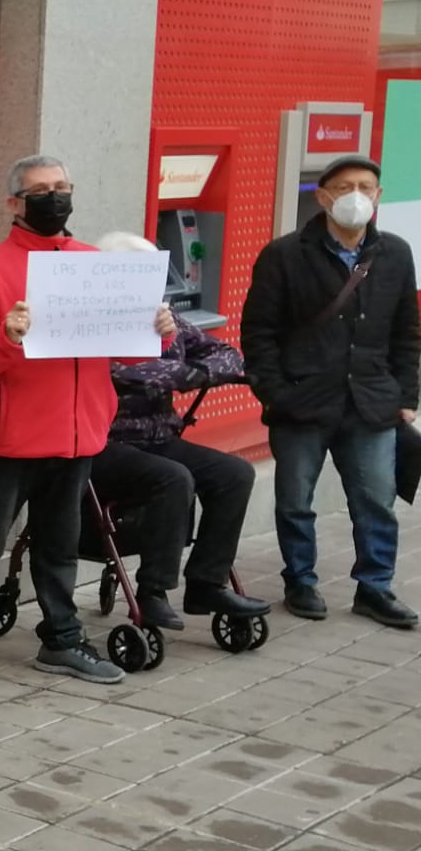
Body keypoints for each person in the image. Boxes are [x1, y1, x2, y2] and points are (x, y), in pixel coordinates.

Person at [0, 154, 173, 694]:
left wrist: (157, 331)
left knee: (59, 547)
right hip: (8, 439)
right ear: (12, 204)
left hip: (77, 436)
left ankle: (62, 640)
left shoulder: (92, 263)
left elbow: (127, 350)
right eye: (41, 189)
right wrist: (8, 337)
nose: (55, 197)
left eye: (62, 187)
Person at [241, 153, 421, 628]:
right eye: (344, 188)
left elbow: (407, 330)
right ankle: (300, 580)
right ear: (323, 197)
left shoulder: (396, 253)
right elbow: (258, 332)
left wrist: (407, 399)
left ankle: (375, 587)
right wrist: (274, 394)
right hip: (302, 401)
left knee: (376, 501)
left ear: (379, 196)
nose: (356, 196)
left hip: (371, 402)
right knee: (296, 500)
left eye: (366, 186)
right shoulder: (283, 254)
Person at [88, 231, 269, 628]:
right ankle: (153, 590)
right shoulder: (88, 319)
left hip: (158, 437)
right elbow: (123, 371)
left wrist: (195, 371)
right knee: (173, 478)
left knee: (234, 474)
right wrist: (182, 373)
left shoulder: (161, 315)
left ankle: (207, 582)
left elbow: (226, 354)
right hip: (102, 442)